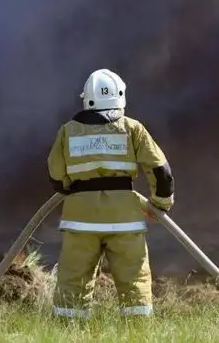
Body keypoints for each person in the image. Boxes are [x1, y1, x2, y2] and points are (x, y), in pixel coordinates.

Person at [46, 68, 175, 318]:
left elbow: (55, 171)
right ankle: (138, 332)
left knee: (72, 280)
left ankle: (66, 332)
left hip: (80, 219)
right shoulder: (132, 128)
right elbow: (160, 170)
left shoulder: (68, 130)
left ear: (86, 98)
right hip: (124, 219)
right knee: (134, 280)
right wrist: (160, 204)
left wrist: (68, 188)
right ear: (120, 96)